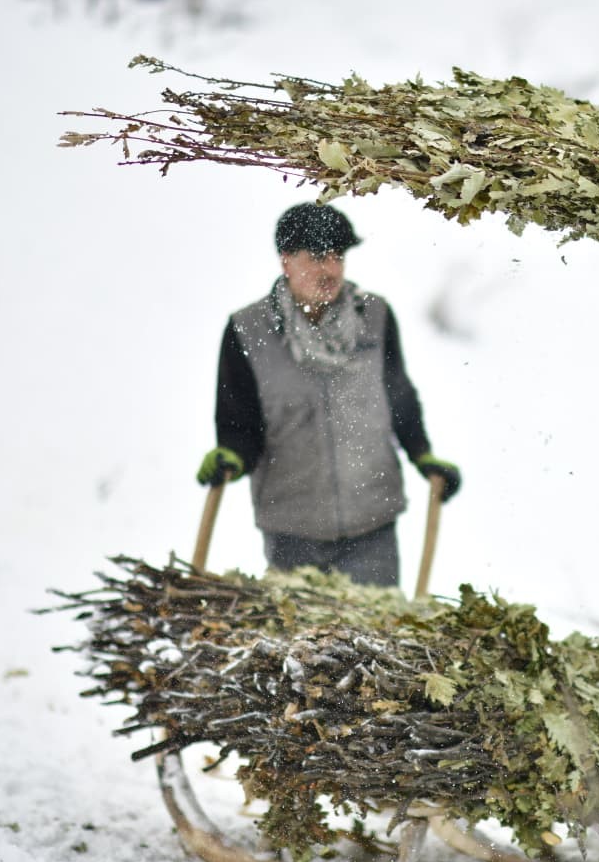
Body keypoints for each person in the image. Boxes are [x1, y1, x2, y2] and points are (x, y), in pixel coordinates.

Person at [196, 201, 461, 588]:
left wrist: (422, 454)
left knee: (377, 640)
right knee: (304, 645)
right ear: (286, 260)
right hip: (293, 530)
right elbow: (238, 419)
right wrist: (232, 454)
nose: (331, 271)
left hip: (373, 523)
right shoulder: (248, 330)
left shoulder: (375, 316)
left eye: (338, 257)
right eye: (318, 257)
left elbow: (398, 396)